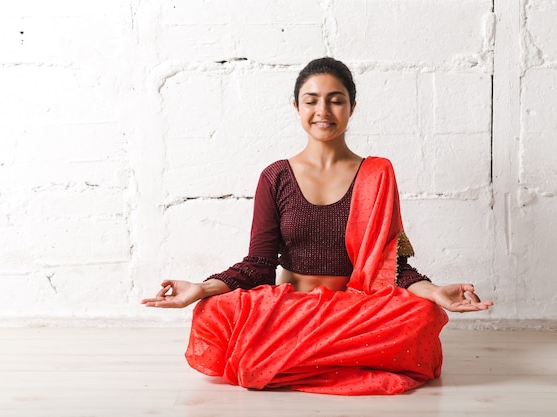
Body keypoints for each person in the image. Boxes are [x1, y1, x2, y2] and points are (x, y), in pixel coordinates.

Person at [142, 57, 493, 395]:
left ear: (352, 107)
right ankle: (337, 357)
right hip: (290, 309)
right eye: (311, 101)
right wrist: (201, 290)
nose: (323, 111)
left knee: (421, 314)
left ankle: (289, 359)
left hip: (353, 310)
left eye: (335, 101)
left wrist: (434, 292)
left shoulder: (377, 174)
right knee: (212, 312)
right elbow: (259, 265)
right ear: (296, 107)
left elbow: (388, 266)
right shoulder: (275, 176)